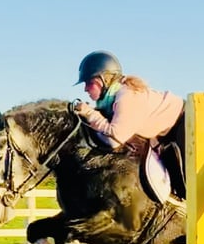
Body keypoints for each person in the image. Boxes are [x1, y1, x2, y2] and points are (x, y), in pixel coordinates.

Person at [73, 50, 186, 197]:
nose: (85, 88)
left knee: (189, 180)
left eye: (89, 82)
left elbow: (114, 140)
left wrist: (89, 114)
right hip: (163, 128)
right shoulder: (110, 99)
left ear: (103, 80)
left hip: (183, 120)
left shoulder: (127, 97)